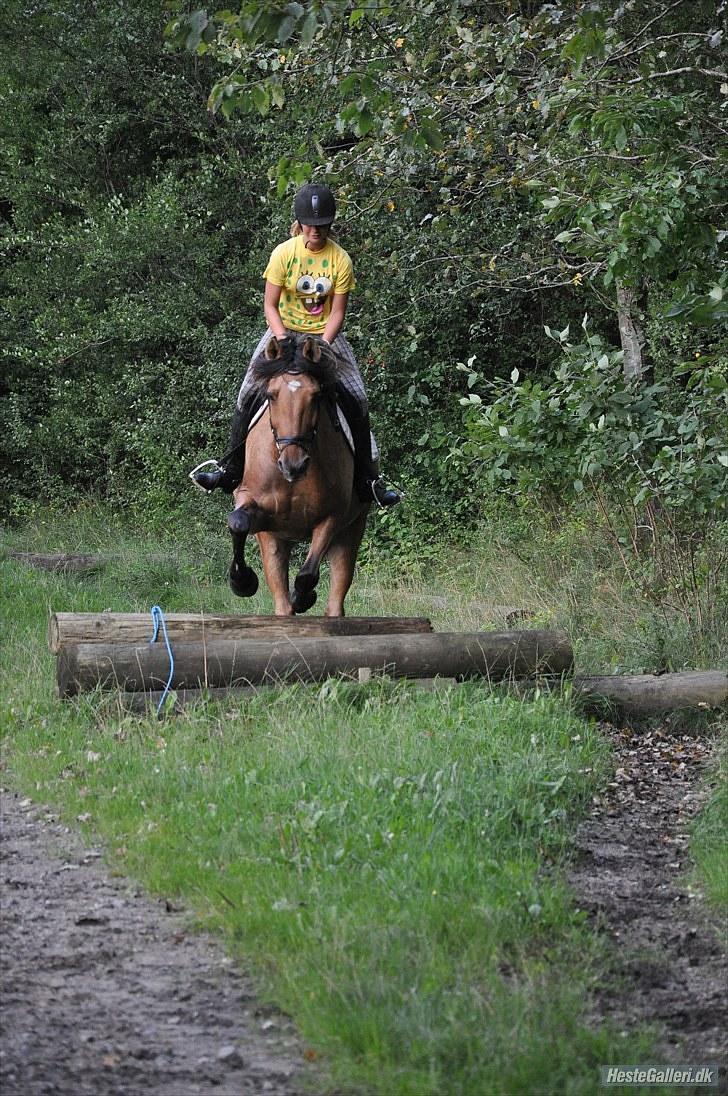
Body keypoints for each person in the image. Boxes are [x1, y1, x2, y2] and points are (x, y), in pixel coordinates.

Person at [192, 182, 400, 507]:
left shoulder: (340, 260)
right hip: (283, 330)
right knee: (248, 391)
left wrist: (324, 345)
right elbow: (270, 305)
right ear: (300, 223)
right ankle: (229, 468)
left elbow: (338, 312)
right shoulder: (284, 254)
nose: (316, 230)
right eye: (310, 224)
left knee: (357, 397)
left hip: (324, 338)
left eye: (322, 225)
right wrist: (282, 337)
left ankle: (369, 479)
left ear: (330, 225)